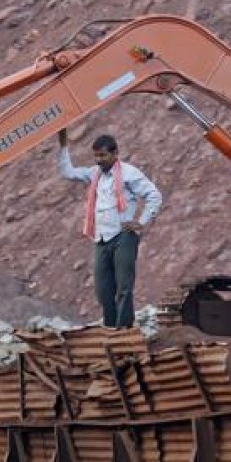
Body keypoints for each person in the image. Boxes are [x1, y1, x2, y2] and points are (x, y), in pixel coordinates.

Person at [57, 129, 162, 328]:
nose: (99, 160)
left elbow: (153, 195)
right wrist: (63, 146)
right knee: (103, 289)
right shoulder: (94, 174)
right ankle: (111, 327)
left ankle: (123, 330)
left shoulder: (129, 173)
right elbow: (68, 173)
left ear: (115, 154)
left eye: (103, 155)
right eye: (96, 155)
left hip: (123, 235)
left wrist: (142, 220)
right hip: (102, 238)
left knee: (123, 286)